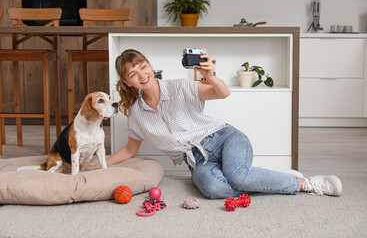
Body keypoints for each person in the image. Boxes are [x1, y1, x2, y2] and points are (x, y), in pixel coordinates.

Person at [83, 48, 342, 199]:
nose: (141, 75)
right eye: (132, 73)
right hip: (197, 160)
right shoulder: (137, 115)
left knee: (238, 176)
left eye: (142, 67)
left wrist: (210, 76)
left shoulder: (181, 86)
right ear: (127, 82)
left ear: (150, 65)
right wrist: (98, 164)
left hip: (224, 138)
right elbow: (130, 150)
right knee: (213, 189)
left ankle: (305, 184)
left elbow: (222, 93)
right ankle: (267, 177)